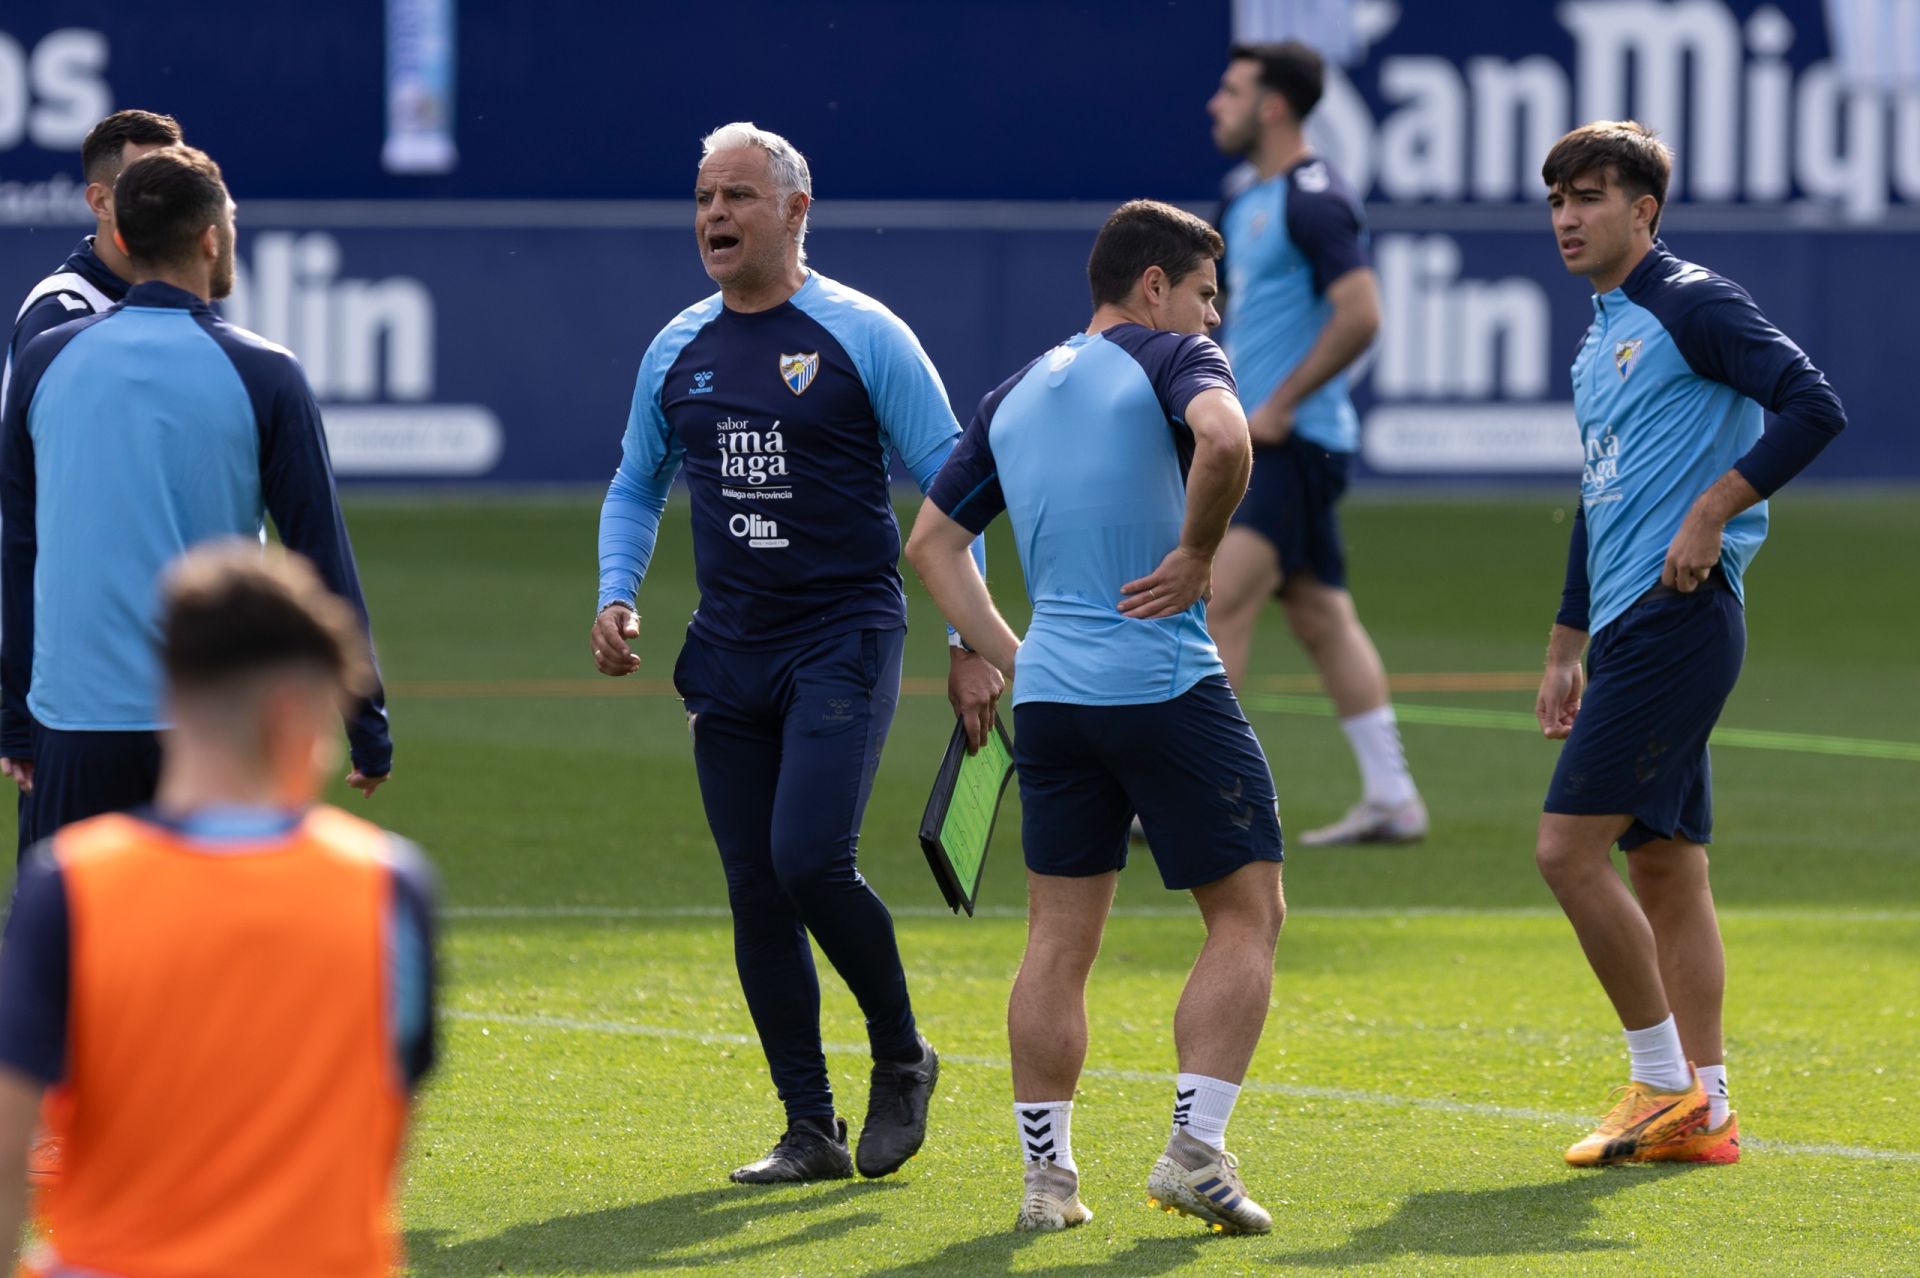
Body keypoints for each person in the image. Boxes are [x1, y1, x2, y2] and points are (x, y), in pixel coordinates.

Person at [592, 122, 991, 1184]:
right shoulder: (676, 347)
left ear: (796, 212)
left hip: (844, 633)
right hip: (728, 646)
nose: (715, 216)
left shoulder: (864, 336)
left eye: (739, 197)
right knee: (755, 888)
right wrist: (616, 593)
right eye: (704, 197)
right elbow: (638, 482)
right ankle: (807, 1129)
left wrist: (969, 640)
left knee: (810, 859)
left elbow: (955, 486)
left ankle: (902, 1057)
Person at [906, 200, 1284, 1235]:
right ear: (1154, 286)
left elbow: (931, 545)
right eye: (1206, 296)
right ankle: (1195, 1152)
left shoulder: (1015, 392)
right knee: (1249, 914)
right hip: (1164, 682)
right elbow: (1226, 438)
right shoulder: (1170, 359)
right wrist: (1200, 553)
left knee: (1057, 943)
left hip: (1057, 700)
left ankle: (1047, 1183)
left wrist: (1010, 655)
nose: (1212, 322)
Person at [1535, 121, 1845, 1167]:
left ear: (1644, 211)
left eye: (1588, 196)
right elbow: (1596, 492)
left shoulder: (1692, 301)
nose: (1568, 218)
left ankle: (1663, 1083)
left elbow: (1814, 405)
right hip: (1626, 628)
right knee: (1665, 868)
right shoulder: (1598, 336)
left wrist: (1715, 508)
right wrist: (1565, 640)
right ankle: (1706, 1109)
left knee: (1566, 854)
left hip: (1680, 618)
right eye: (1557, 200)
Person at [0, 542, 437, 1276]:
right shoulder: (390, 887)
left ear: (170, 694)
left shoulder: (70, 887)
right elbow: (386, 1136)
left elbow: (10, 1149)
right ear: (292, 714)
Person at [0, 145, 392, 858]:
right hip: (215, 716)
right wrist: (365, 718)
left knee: (72, 951)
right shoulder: (266, 373)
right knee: (217, 947)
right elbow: (318, 554)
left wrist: (14, 721)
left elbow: (19, 546)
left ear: (120, 238)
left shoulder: (43, 360)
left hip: (76, 722)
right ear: (212, 238)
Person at [1203, 41, 1425, 845]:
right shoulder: (1244, 201)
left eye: (1230, 92)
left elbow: (1362, 312)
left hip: (1294, 445)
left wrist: (1280, 406)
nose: (1213, 106)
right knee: (1322, 618)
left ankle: (1204, 799)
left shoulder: (1314, 195)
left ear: (1271, 106)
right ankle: (1394, 797)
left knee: (1218, 600)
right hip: (1272, 440)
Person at [0, 110, 183, 416]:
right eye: (152, 188)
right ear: (101, 202)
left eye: (181, 186)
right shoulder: (61, 315)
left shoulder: (176, 299)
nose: (174, 205)